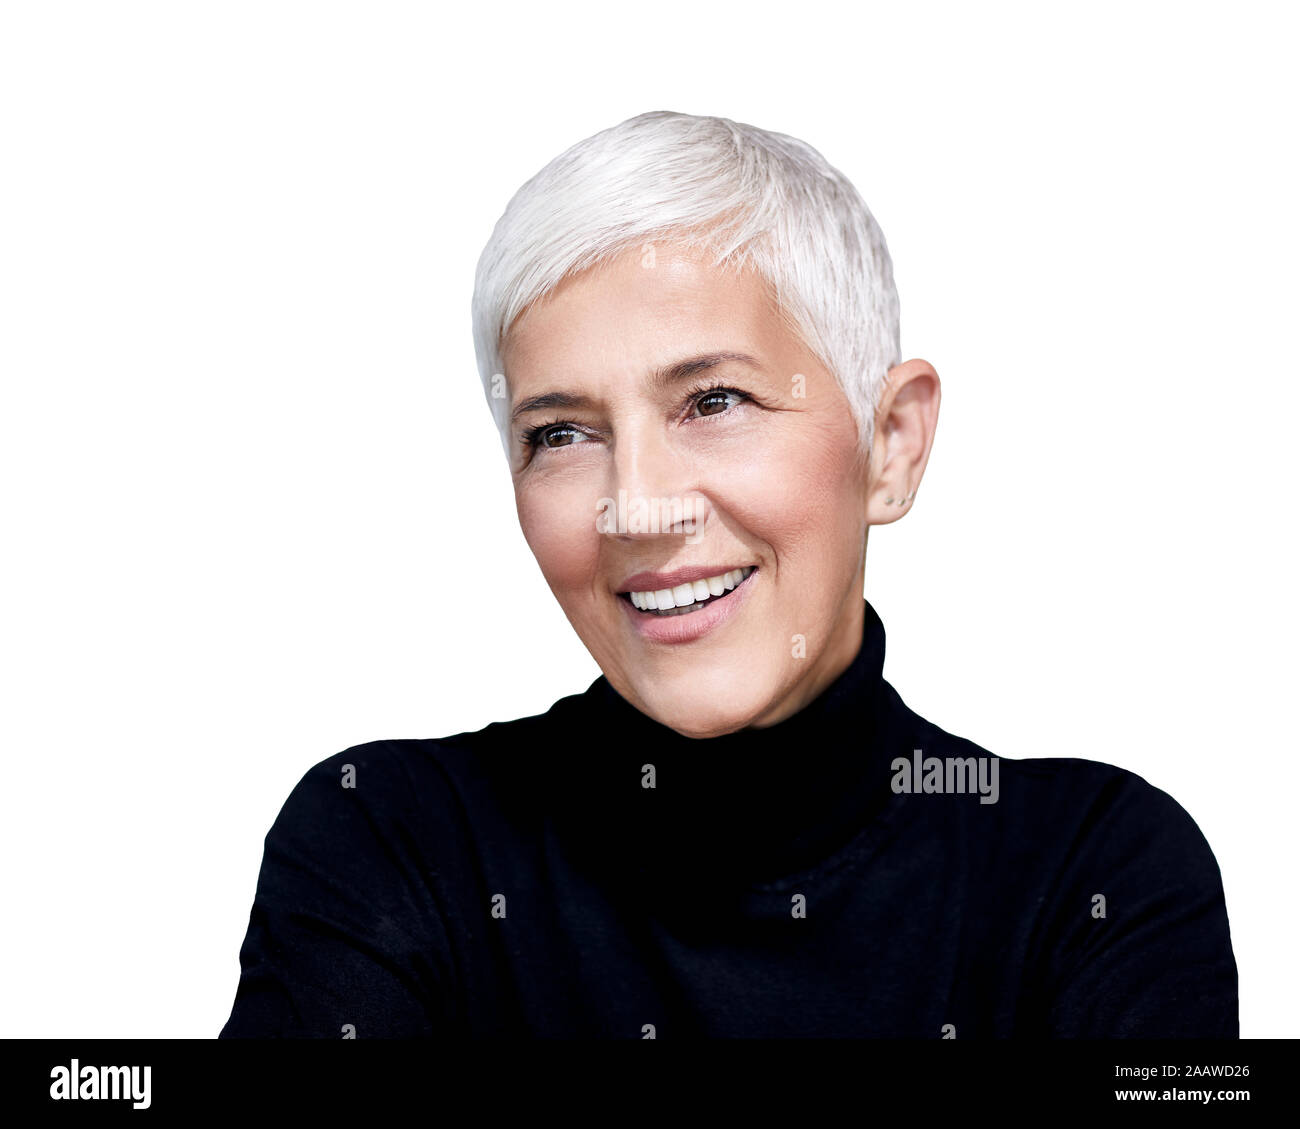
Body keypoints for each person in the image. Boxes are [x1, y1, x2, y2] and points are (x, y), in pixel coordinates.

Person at [219, 111, 1237, 1038]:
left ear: (889, 443)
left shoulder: (1095, 876)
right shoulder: (391, 839)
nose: (638, 505)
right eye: (561, 432)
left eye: (713, 402)